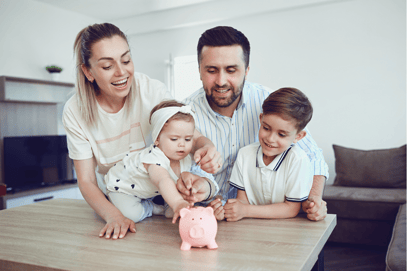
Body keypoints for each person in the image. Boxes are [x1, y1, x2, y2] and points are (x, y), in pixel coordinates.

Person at [62, 23, 221, 240]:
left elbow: (187, 132)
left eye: (126, 60)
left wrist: (206, 146)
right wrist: (114, 216)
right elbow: (87, 180)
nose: (121, 72)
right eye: (108, 66)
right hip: (122, 196)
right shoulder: (75, 111)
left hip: (162, 191)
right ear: (88, 72)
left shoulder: (151, 90)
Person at [178, 26, 329, 221]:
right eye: (212, 70)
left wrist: (315, 198)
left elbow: (313, 156)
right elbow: (179, 171)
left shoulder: (269, 102)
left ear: (246, 71)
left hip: (262, 219)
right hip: (204, 219)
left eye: (231, 70)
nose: (221, 81)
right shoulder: (183, 113)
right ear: (199, 70)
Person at [105, 100, 218, 224]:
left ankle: (162, 203)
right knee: (132, 215)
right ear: (157, 138)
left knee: (171, 213)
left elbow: (181, 181)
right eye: (174, 139)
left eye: (188, 139)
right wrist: (177, 202)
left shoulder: (186, 159)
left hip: (151, 190)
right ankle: (151, 207)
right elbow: (162, 180)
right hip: (122, 188)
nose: (182, 144)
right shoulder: (154, 158)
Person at [212, 87, 314, 221]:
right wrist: (227, 209)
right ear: (261, 119)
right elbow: (242, 201)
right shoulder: (245, 154)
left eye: (281, 134)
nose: (270, 139)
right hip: (251, 229)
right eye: (266, 128)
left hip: (286, 231)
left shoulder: (298, 160)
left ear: (298, 136)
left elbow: (291, 208)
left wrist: (246, 210)